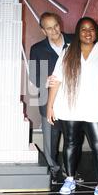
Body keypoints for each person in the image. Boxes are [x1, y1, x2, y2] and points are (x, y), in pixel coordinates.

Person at [46, 17, 98, 195]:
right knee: (70, 143)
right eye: (84, 29)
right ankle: (69, 180)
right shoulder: (68, 52)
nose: (88, 32)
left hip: (95, 109)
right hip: (70, 108)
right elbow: (56, 80)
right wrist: (50, 106)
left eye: (91, 29)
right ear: (78, 32)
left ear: (96, 32)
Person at [29, 12, 74, 184]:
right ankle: (53, 170)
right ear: (43, 31)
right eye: (49, 28)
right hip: (49, 101)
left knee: (72, 138)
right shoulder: (37, 48)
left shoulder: (74, 40)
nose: (54, 30)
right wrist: (44, 80)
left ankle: (70, 170)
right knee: (50, 141)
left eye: (56, 25)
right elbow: (33, 76)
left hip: (73, 101)